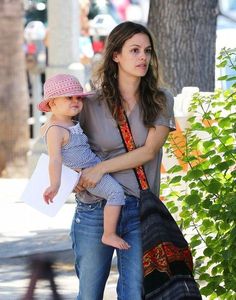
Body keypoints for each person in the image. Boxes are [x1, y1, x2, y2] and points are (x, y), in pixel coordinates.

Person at [71, 21, 176, 300]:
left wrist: (100, 168)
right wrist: (72, 178)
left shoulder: (160, 99)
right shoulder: (90, 102)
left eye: (147, 51)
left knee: (135, 294)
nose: (143, 57)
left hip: (139, 209)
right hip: (95, 208)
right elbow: (64, 141)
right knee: (89, 294)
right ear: (115, 55)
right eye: (134, 50)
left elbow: (149, 151)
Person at [38, 74, 130, 250]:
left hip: (93, 165)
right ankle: (109, 234)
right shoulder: (55, 130)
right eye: (68, 98)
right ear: (52, 104)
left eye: (78, 97)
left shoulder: (70, 122)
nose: (75, 101)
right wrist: (55, 185)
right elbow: (55, 159)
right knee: (116, 193)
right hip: (86, 173)